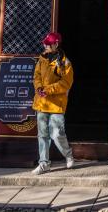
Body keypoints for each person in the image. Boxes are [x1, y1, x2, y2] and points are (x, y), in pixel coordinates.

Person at [31, 31, 75, 174]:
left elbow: (66, 83)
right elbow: (36, 75)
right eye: (45, 44)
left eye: (48, 44)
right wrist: (39, 87)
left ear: (56, 44)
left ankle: (68, 155)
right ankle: (44, 163)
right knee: (42, 135)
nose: (45, 46)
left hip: (56, 104)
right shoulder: (42, 59)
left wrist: (48, 90)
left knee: (57, 134)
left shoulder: (65, 62)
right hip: (42, 102)